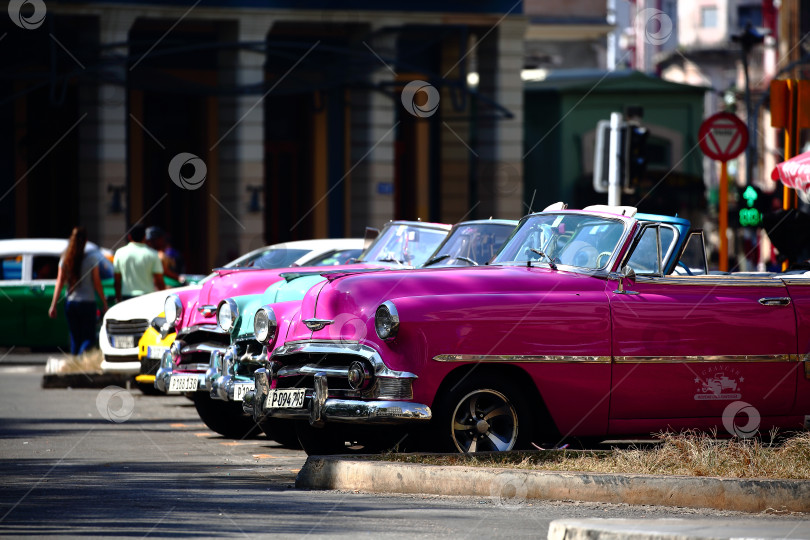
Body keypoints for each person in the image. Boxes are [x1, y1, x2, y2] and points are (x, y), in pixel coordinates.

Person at [48, 226, 108, 355]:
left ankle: (74, 365)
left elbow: (59, 282)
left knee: (75, 337)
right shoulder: (91, 259)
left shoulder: (65, 259)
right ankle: (81, 362)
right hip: (87, 302)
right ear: (86, 240)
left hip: (70, 302)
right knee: (88, 337)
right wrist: (104, 303)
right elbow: (97, 283)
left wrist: (53, 305)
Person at [113, 223, 165, 303]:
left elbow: (117, 281)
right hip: (147, 298)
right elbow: (159, 280)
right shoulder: (153, 254)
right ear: (145, 237)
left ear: (129, 236)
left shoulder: (119, 253)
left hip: (126, 298)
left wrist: (118, 298)